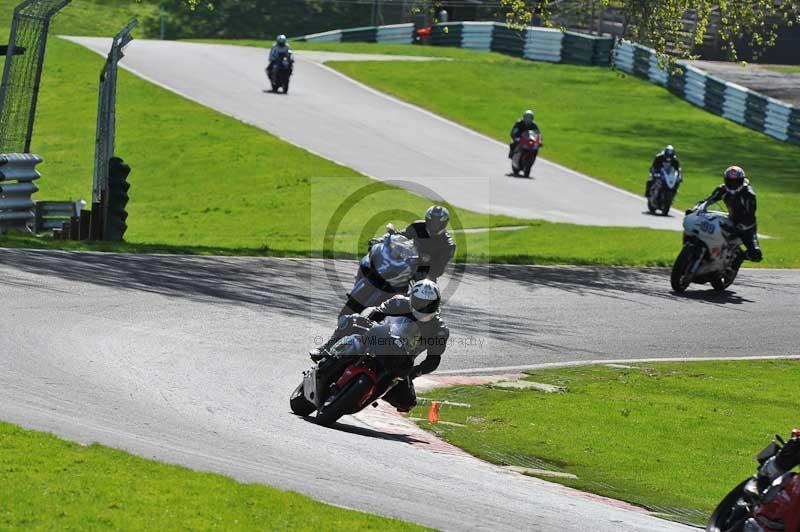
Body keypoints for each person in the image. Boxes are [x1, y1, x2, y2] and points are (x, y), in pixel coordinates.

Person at [314, 280, 449, 412]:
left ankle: (369, 394)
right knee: (351, 320)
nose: (424, 308)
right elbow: (374, 314)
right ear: (412, 298)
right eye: (420, 303)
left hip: (402, 359)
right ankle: (325, 349)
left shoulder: (439, 329)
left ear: (437, 303)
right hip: (380, 338)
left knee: (407, 403)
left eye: (429, 304)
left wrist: (415, 372)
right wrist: (368, 324)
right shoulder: (399, 302)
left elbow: (433, 359)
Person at [688, 165, 762, 262]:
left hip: (746, 227)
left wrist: (738, 228)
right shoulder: (722, 189)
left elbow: (750, 216)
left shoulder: (748, 194)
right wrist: (695, 209)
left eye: (736, 182)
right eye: (729, 181)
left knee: (756, 255)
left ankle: (737, 257)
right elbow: (708, 201)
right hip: (730, 219)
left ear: (742, 181)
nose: (732, 184)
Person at [400, 205, 456, 282]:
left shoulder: (448, 244)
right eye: (433, 221)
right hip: (408, 262)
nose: (435, 225)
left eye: (438, 223)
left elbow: (439, 268)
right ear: (428, 220)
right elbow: (401, 235)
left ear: (444, 223)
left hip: (427, 272)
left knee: (426, 286)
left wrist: (426, 258)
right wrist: (388, 237)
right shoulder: (418, 226)